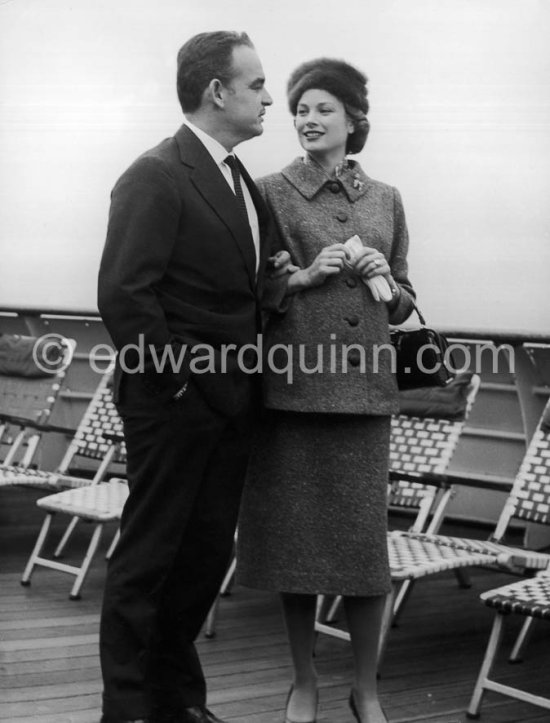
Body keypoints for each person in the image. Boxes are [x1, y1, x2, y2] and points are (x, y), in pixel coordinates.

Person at [97, 31, 275, 723]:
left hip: (233, 403)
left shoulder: (239, 183)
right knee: (150, 558)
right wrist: (178, 385)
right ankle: (131, 709)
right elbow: (125, 293)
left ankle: (178, 701)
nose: (267, 97)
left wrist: (291, 279)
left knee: (201, 560)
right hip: (175, 404)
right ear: (216, 91)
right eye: (257, 84)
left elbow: (243, 285)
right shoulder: (157, 172)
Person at [237, 58, 416, 723]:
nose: (308, 121)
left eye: (322, 110)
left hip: (365, 396)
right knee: (298, 546)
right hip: (294, 393)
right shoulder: (269, 191)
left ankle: (364, 687)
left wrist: (387, 280)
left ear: (353, 120)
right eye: (299, 111)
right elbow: (254, 291)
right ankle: (305, 681)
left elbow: (402, 304)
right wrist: (308, 276)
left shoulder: (387, 198)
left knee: (363, 550)